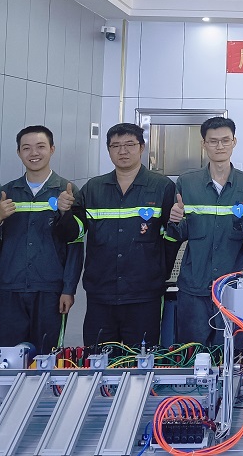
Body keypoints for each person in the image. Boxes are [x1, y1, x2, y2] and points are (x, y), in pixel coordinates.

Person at [56, 122, 177, 347]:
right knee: (98, 359)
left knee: (141, 359)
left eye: (130, 144)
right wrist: (64, 212)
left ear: (142, 147)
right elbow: (73, 233)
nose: (123, 151)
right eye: (116, 146)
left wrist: (159, 272)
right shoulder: (93, 188)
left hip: (144, 293)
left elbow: (172, 238)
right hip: (101, 292)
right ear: (108, 150)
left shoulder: (162, 187)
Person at [0, 126, 83, 354]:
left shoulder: (67, 192)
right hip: (10, 288)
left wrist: (68, 289)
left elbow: (75, 244)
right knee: (11, 357)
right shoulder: (6, 193)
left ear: (52, 149)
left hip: (50, 290)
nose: (34, 153)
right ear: (18, 152)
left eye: (40, 146)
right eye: (26, 148)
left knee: (48, 357)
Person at [167, 116, 243, 345]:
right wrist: (175, 221)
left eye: (225, 140)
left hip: (233, 288)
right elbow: (178, 235)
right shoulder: (187, 183)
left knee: (232, 354)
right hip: (194, 287)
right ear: (204, 144)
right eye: (213, 141)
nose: (220, 146)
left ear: (234, 142)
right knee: (191, 353)